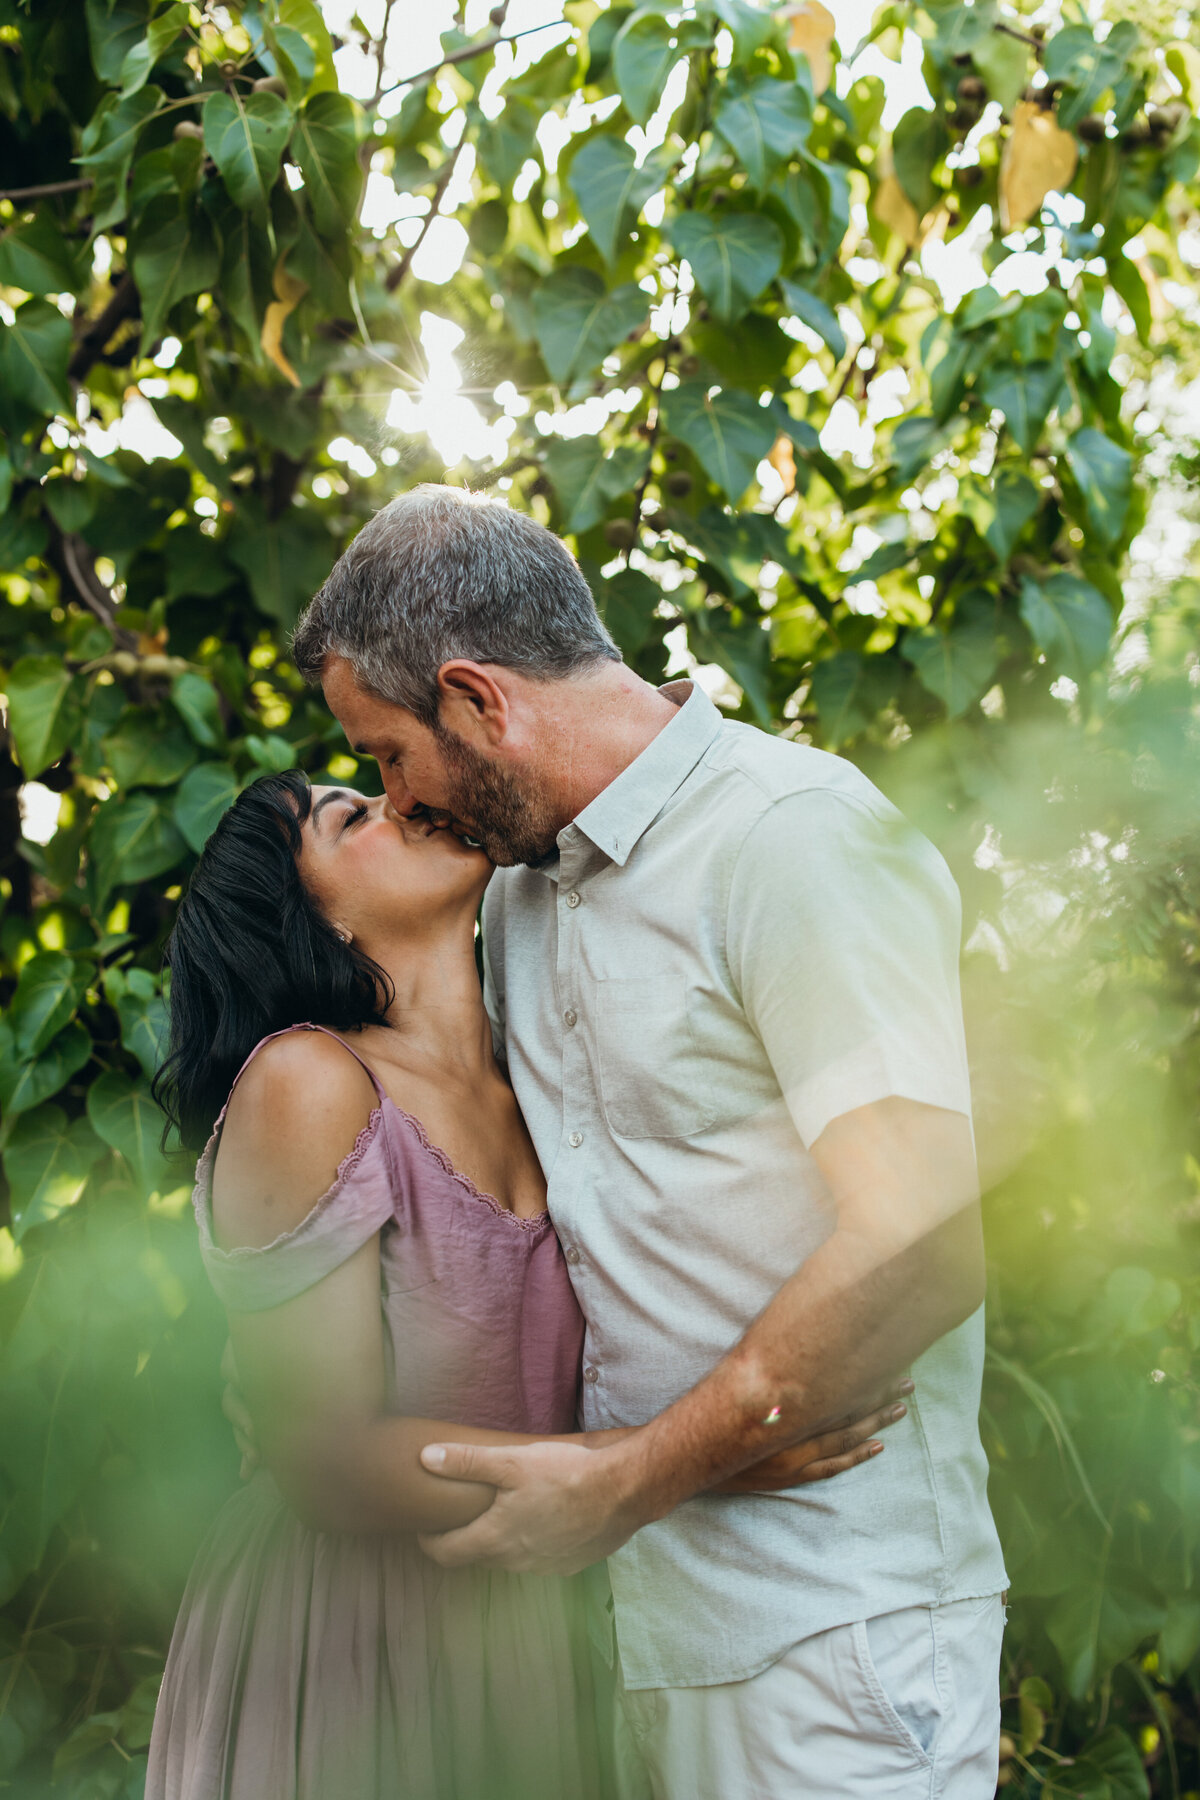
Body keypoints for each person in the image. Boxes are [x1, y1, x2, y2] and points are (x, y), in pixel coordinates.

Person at [285, 483, 1011, 1798]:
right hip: (647, 1637)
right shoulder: (520, 902)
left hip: (834, 1640)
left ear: (477, 699)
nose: (395, 800)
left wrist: (637, 1478)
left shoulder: (789, 840)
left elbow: (921, 1237)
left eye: (390, 756)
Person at [146, 768, 908, 1800]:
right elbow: (319, 1460)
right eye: (350, 817)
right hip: (348, 1633)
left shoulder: (538, 1070)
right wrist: (682, 1463)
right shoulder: (309, 1081)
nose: (402, 801)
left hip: (527, 1625)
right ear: (309, 918)